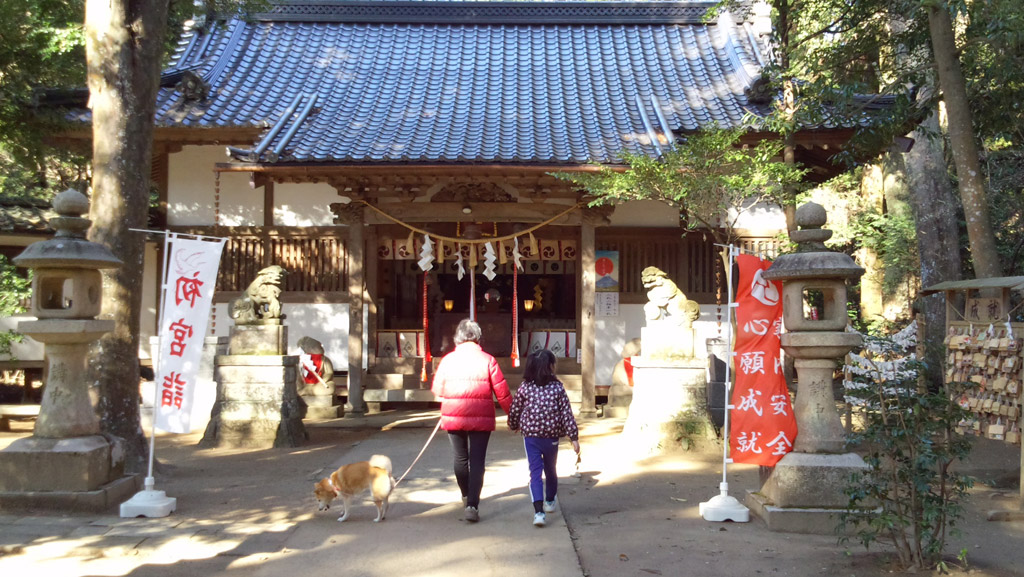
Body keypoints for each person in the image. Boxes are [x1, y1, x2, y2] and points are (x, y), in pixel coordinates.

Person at [430, 318, 513, 523]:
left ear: (457, 337)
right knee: (477, 461)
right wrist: (513, 412)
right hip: (481, 415)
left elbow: (437, 391)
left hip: (454, 413)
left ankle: (466, 494)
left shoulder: (447, 360)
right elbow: (502, 392)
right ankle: (472, 505)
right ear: (477, 337)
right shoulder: (488, 360)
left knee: (460, 459)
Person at [507, 348, 580, 527]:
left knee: (535, 473)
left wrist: (513, 424)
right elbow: (566, 413)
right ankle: (549, 501)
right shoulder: (557, 387)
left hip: (531, 436)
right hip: (551, 436)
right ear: (550, 367)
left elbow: (515, 408)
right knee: (550, 468)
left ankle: (538, 512)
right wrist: (573, 437)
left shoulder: (525, 387)